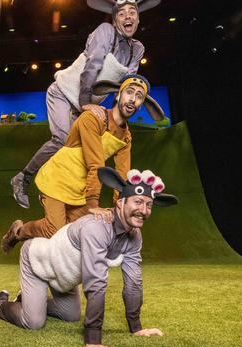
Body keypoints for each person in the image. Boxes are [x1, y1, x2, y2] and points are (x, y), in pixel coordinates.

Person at [0, 166, 178, 347]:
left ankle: (26, 298)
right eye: (138, 202)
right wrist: (93, 339)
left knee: (70, 315)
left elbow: (134, 283)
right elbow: (96, 284)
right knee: (33, 322)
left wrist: (136, 327)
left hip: (65, 276)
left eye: (149, 205)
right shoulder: (97, 228)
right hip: (39, 262)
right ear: (120, 203)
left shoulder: (134, 237)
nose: (143, 210)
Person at [10, 0, 164, 209]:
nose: (127, 17)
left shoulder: (136, 49)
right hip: (64, 94)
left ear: (138, 18)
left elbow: (127, 85)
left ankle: (52, 191)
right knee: (63, 139)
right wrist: (85, 103)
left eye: (132, 12)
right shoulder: (105, 31)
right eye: (122, 14)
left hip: (86, 105)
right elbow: (91, 67)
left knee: (79, 152)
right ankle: (23, 178)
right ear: (114, 18)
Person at [1, 74, 165, 254]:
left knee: (76, 235)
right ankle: (18, 232)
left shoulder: (126, 137)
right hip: (58, 178)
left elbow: (122, 175)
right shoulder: (93, 118)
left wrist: (121, 208)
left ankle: (68, 281)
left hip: (79, 190)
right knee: (54, 231)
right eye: (129, 92)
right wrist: (93, 205)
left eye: (139, 96)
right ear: (118, 95)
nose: (133, 99)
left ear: (141, 104)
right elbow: (96, 164)